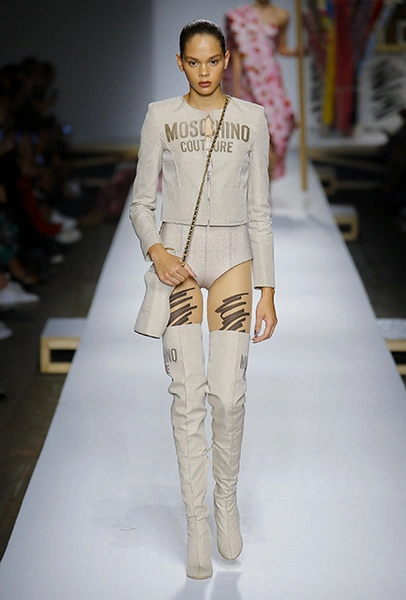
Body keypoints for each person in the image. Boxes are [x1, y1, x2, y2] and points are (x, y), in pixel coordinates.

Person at [130, 19, 277, 580]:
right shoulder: (160, 117)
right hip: (181, 264)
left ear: (227, 59)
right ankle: (196, 524)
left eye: (213, 61)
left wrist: (268, 290)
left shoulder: (252, 119)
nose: (204, 71)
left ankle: (225, 503)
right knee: (187, 395)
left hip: (235, 255)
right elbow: (141, 202)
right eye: (194, 62)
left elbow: (260, 209)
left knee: (228, 396)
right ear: (180, 63)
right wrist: (157, 253)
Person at [224, 0, 304, 179]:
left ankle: (267, 184)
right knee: (249, 134)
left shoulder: (282, 15)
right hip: (247, 81)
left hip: (270, 80)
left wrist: (296, 52)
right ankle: (248, 185)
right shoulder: (240, 17)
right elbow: (236, 54)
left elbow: (281, 47)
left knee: (277, 128)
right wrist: (235, 91)